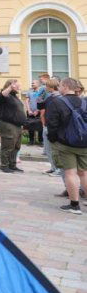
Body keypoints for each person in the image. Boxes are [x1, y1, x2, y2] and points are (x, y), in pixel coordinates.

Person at [45, 77, 87, 214]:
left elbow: (52, 124)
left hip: (65, 143)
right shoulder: (84, 101)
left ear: (65, 87)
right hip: (84, 142)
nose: (59, 88)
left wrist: (53, 140)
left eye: (60, 86)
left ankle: (74, 205)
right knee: (84, 173)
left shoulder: (56, 102)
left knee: (70, 173)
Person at [0, 79, 25, 173]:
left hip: (17, 125)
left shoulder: (14, 96)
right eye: (17, 86)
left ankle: (12, 165)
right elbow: (1, 96)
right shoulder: (4, 96)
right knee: (8, 145)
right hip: (8, 124)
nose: (19, 87)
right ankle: (4, 165)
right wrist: (10, 87)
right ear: (11, 86)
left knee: (16, 146)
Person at [40, 78, 63, 177]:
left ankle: (59, 169)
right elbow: (41, 107)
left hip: (54, 127)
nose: (45, 87)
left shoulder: (59, 97)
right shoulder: (49, 96)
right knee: (48, 149)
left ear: (51, 86)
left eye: (46, 85)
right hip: (47, 125)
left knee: (55, 150)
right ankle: (53, 167)